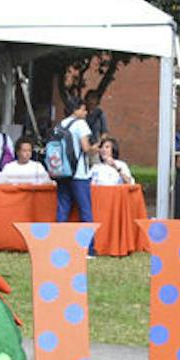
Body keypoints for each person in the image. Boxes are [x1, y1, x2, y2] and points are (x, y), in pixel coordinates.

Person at [55, 97, 99, 250]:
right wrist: (97, 147)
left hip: (62, 172)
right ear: (76, 110)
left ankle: (59, 244)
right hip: (79, 174)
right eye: (83, 109)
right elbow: (86, 149)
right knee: (85, 210)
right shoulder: (80, 124)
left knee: (62, 210)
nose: (86, 112)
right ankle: (89, 248)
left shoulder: (60, 125)